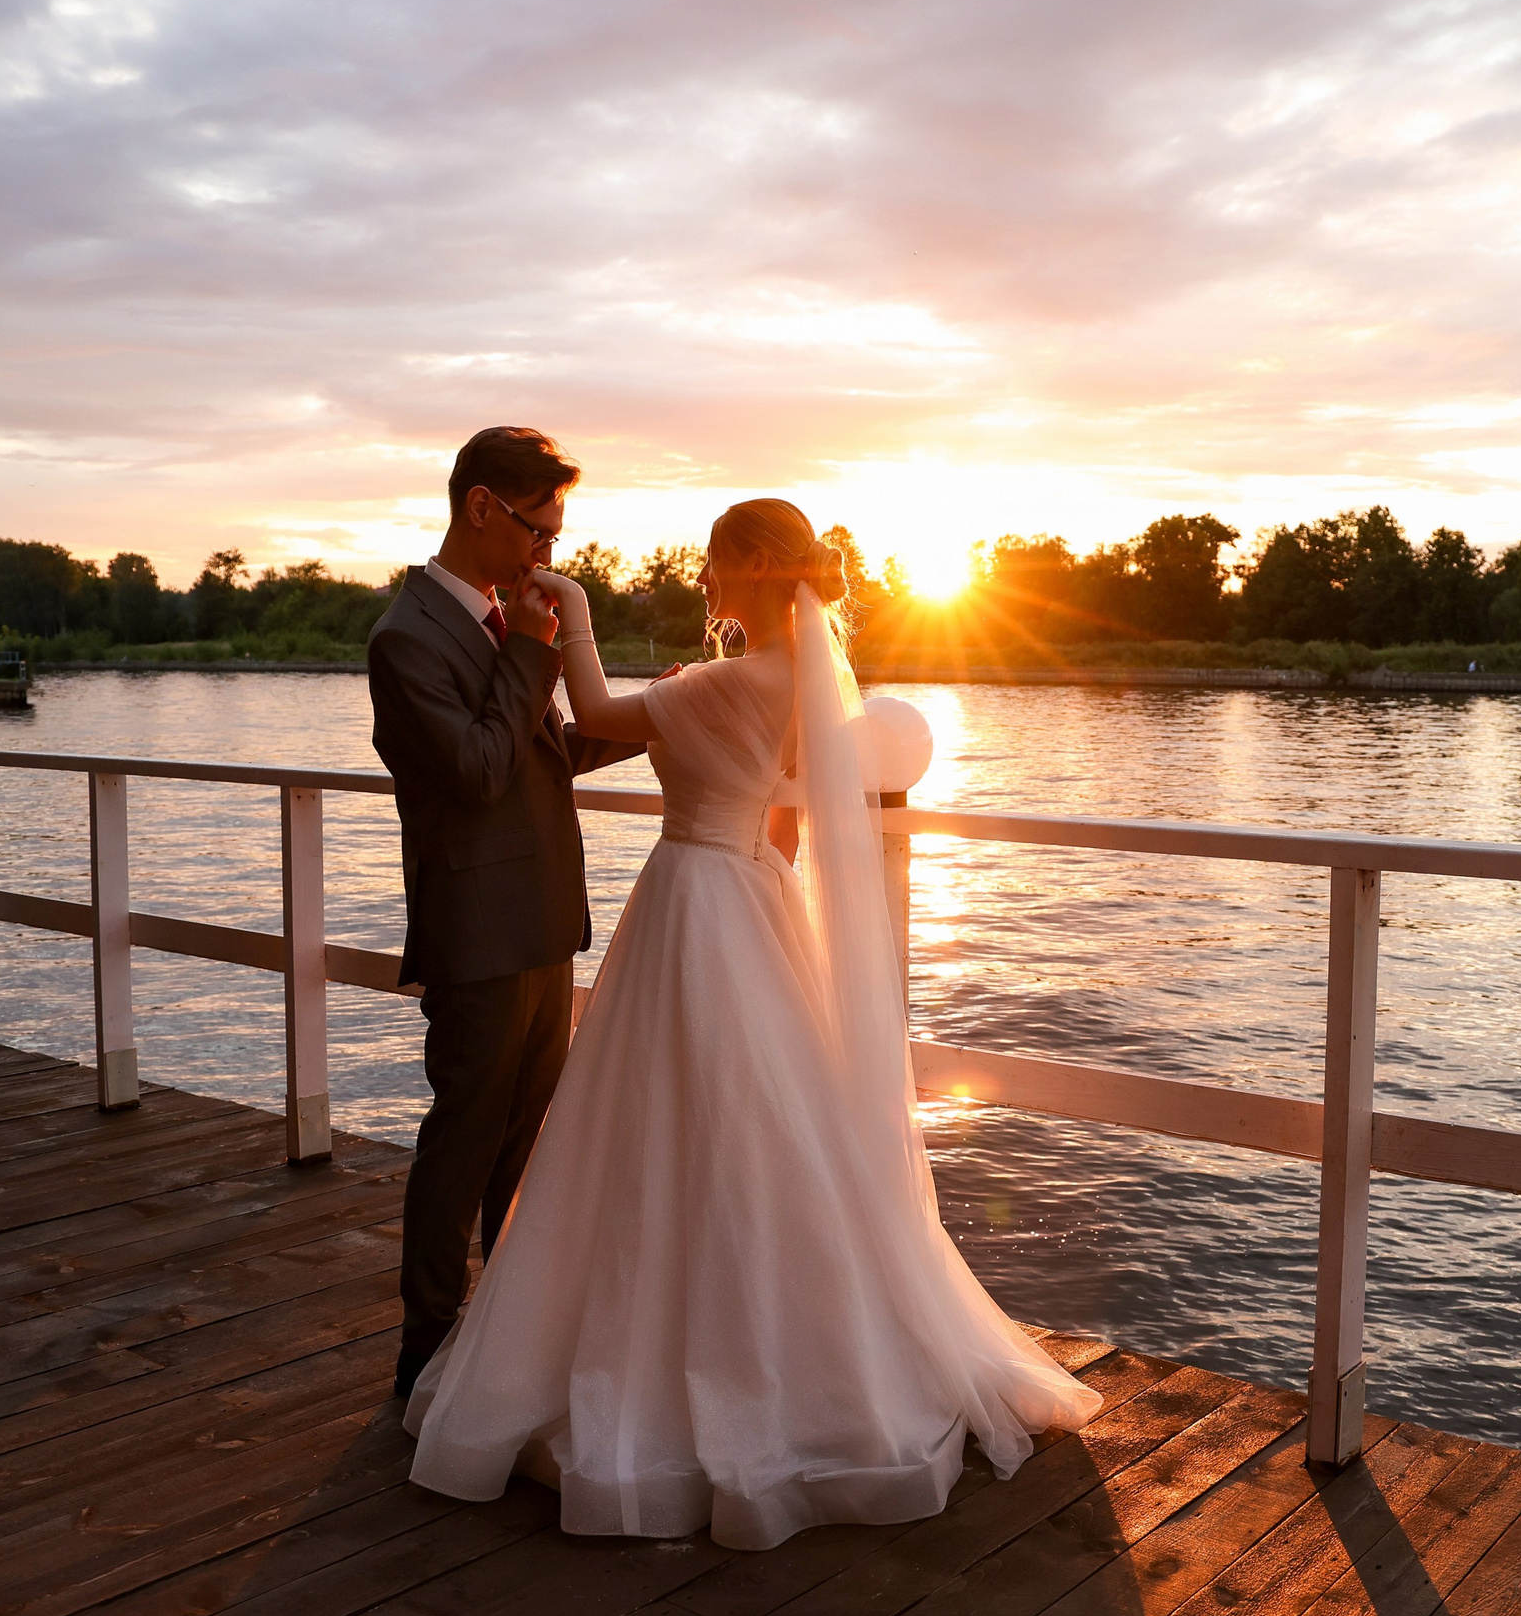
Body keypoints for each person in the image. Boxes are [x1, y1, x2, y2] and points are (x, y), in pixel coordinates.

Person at [403, 498, 1099, 1549]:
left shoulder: (724, 682)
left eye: (716, 563)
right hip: (756, 894)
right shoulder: (802, 685)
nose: (705, 580)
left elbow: (590, 713)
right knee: (765, 1127)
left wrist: (576, 610)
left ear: (756, 568)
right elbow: (782, 815)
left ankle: (678, 1354)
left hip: (689, 901)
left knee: (658, 1126)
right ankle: (798, 1344)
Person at [366, 426, 647, 1401]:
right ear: (482, 506)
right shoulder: (407, 639)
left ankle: (512, 1346)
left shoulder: (492, 624)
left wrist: (665, 718)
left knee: (528, 1148)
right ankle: (428, 1360)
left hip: (538, 923)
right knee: (463, 1147)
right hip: (476, 933)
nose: (548, 557)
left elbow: (542, 755)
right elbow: (479, 772)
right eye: (539, 532)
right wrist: (532, 646)